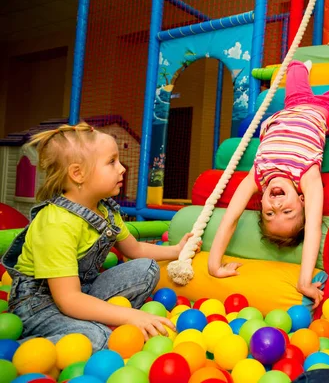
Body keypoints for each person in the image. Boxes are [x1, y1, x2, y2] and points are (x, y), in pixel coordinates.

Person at [1, 123, 196, 352]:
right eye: (111, 162)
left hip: (81, 291)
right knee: (98, 338)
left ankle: (89, 320)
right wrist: (131, 316)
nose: (122, 168)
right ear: (78, 174)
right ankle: (20, 351)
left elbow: (135, 250)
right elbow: (68, 299)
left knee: (147, 269)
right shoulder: (56, 223)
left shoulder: (105, 210)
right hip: (41, 304)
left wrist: (177, 251)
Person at [207, 58, 329, 307]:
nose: (277, 205)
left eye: (269, 213)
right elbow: (313, 228)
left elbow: (230, 218)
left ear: (261, 205)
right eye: (287, 211)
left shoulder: (256, 176)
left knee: (295, 66)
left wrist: (214, 265)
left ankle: (304, 69)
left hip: (294, 105)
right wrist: (304, 281)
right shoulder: (307, 177)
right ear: (301, 200)